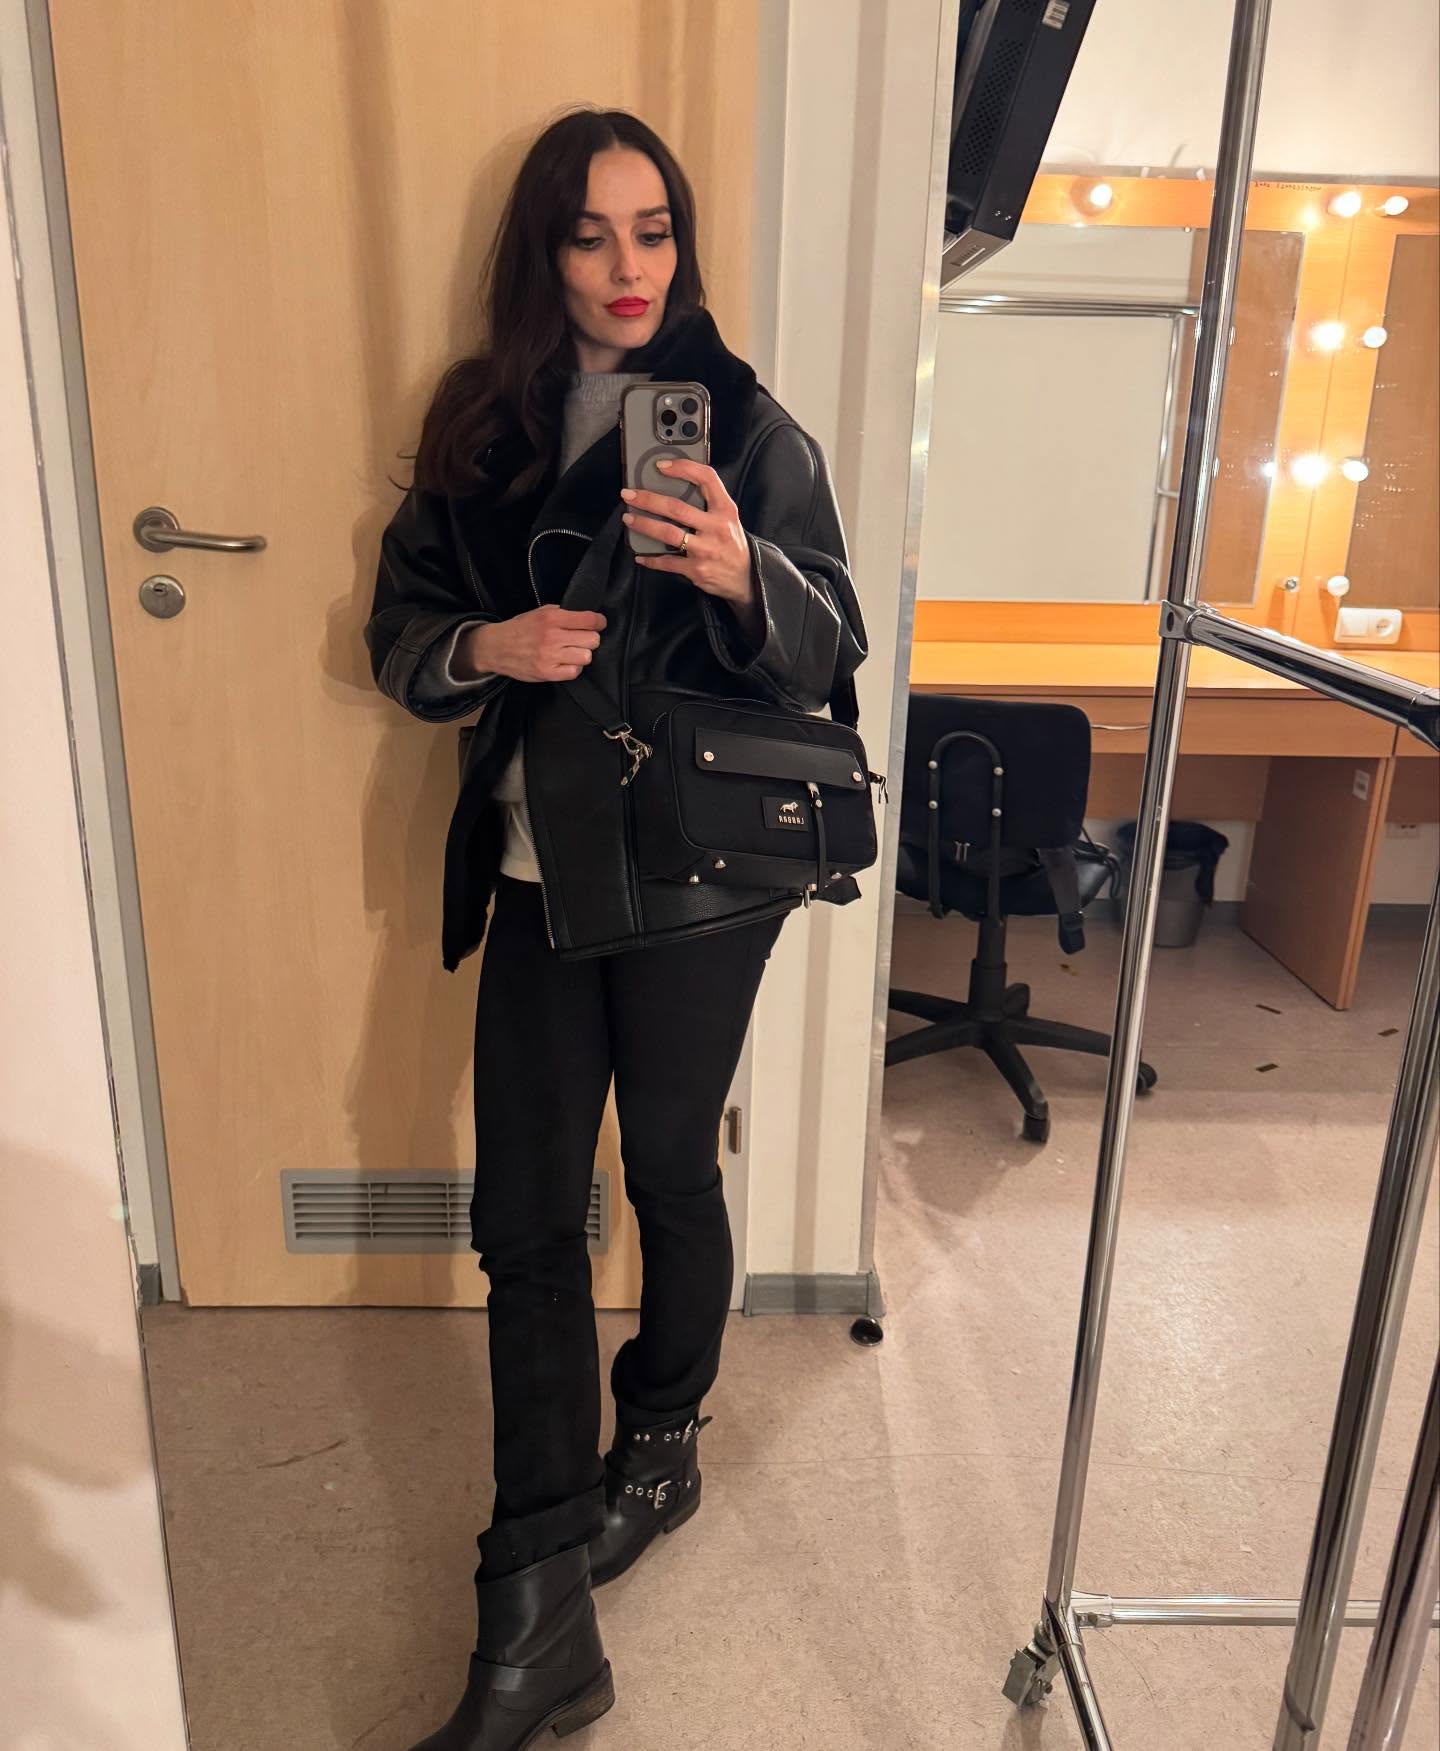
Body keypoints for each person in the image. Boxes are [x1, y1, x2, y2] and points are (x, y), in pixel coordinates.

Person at [366, 105, 866, 1750]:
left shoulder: (743, 426)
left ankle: (656, 1446)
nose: (626, 267)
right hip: (536, 869)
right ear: (547, 252)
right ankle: (535, 1617)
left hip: (694, 877)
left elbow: (837, 638)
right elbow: (400, 629)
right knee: (523, 1220)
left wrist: (740, 573)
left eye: (652, 231)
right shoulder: (481, 425)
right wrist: (487, 648)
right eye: (590, 235)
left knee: (663, 1169)